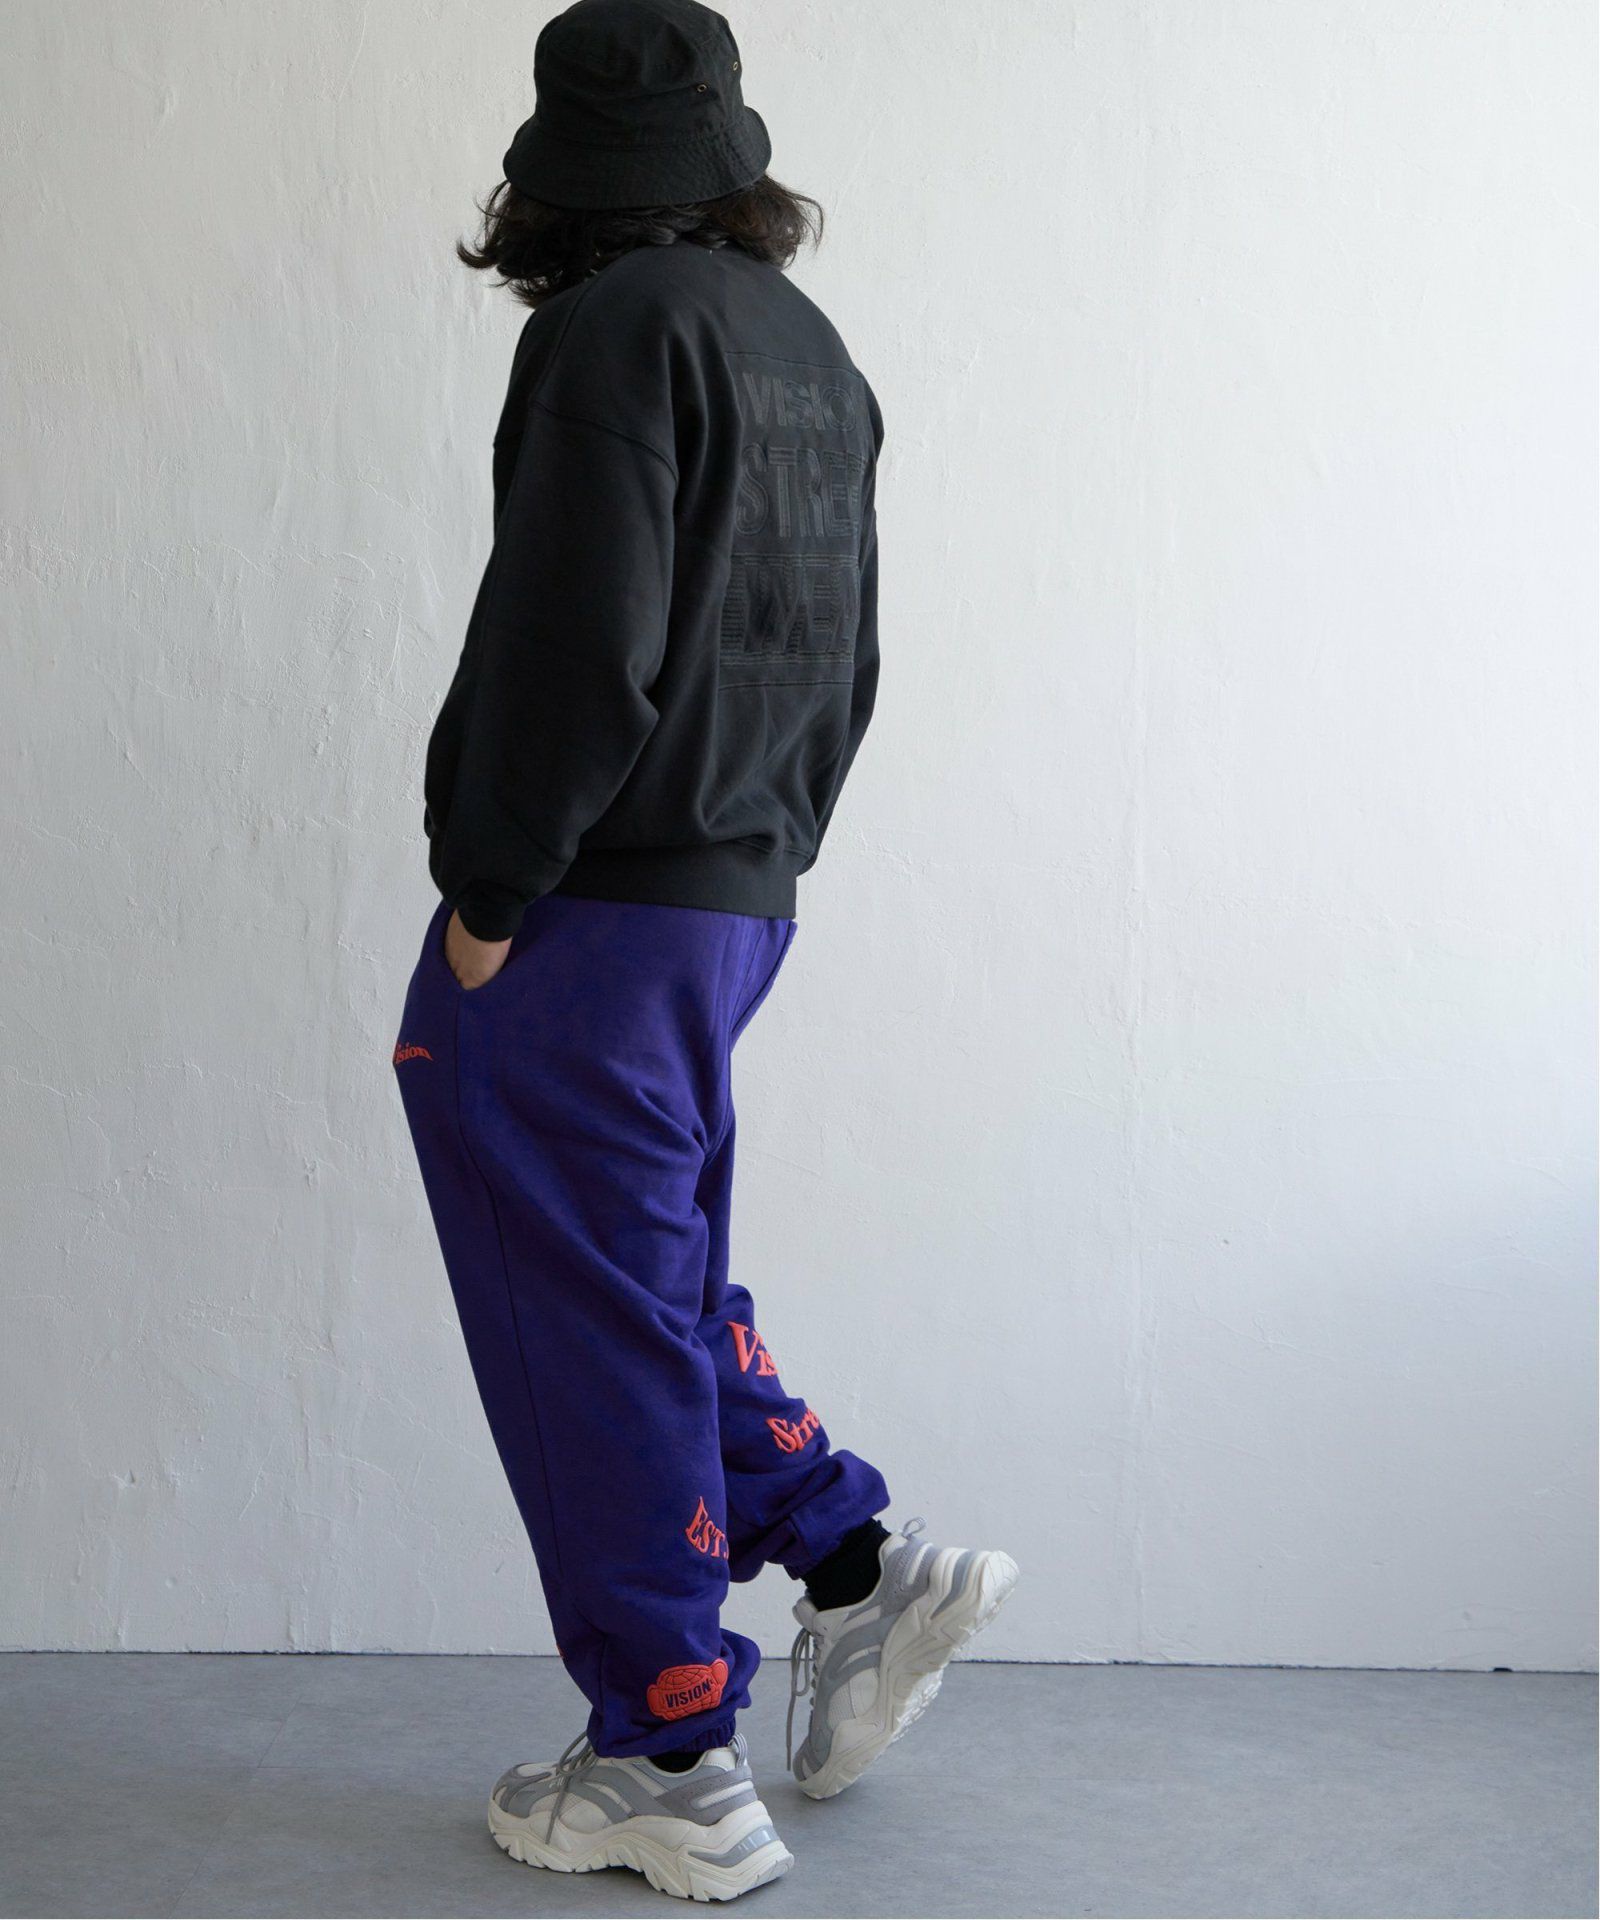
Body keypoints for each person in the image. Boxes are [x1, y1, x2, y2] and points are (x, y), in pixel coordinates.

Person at [392, 0, 1017, 1899]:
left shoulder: (611, 330)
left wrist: (491, 890)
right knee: (633, 1265)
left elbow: (574, 638)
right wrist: (760, 855)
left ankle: (666, 1747)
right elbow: (851, 655)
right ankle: (848, 1556)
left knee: (580, 1296)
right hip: (734, 895)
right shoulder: (807, 347)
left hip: (594, 896)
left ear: (552, 187)